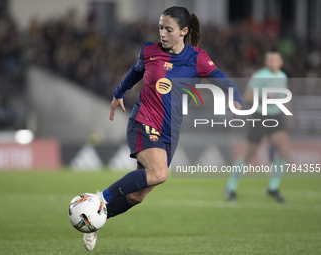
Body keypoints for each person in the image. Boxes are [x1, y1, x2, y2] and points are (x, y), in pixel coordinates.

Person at [82, 6, 242, 251]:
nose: (163, 34)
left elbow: (224, 82)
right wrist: (118, 94)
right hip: (143, 122)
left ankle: (94, 222)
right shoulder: (149, 51)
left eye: (169, 29)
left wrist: (235, 98)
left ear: (183, 32)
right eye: (160, 28)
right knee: (160, 174)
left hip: (169, 132)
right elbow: (134, 73)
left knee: (137, 196)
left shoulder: (197, 58)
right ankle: (99, 198)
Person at [225, 48, 293, 203]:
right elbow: (248, 97)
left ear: (281, 62)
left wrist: (289, 115)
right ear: (266, 61)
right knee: (249, 155)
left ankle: (273, 187)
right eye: (270, 60)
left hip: (276, 117)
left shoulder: (282, 77)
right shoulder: (260, 76)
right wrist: (267, 98)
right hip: (260, 116)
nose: (273, 62)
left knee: (284, 152)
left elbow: (285, 97)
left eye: (275, 60)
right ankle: (231, 186)